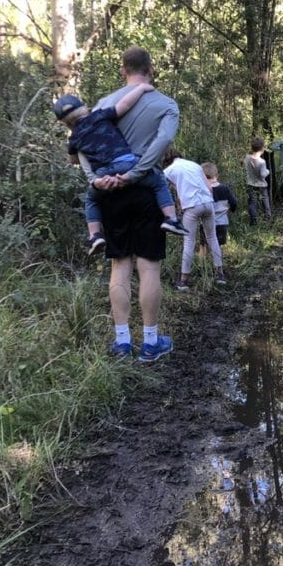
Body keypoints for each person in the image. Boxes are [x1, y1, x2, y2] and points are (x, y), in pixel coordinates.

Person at [81, 46, 179, 362]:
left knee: (119, 264)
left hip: (108, 190)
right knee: (148, 265)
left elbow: (82, 142)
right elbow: (163, 142)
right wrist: (137, 172)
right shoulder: (166, 105)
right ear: (151, 71)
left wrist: (94, 179)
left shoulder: (103, 104)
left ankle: (122, 343)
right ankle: (150, 343)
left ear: (123, 70)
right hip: (146, 189)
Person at [53, 86, 186, 255]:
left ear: (65, 123)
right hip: (127, 164)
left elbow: (73, 160)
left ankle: (95, 235)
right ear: (84, 108)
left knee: (92, 199)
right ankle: (171, 218)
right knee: (158, 181)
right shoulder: (99, 116)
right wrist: (142, 89)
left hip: (103, 174)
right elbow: (124, 105)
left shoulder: (74, 138)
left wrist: (77, 143)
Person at [164, 151, 225, 289]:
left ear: (167, 161)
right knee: (212, 238)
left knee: (189, 241)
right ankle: (220, 275)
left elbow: (163, 190)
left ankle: (184, 280)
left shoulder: (169, 170)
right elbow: (209, 187)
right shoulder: (195, 165)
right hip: (208, 203)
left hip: (192, 206)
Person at [200, 161, 238, 254]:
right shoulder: (225, 189)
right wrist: (231, 210)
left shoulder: (202, 190)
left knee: (203, 245)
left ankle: (202, 265)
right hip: (222, 222)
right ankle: (217, 266)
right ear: (217, 175)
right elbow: (233, 203)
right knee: (217, 246)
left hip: (205, 223)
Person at [244, 136, 272, 224]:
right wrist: (268, 171)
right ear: (262, 149)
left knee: (252, 202)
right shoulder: (262, 162)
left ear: (251, 148)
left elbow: (245, 167)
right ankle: (267, 217)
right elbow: (263, 174)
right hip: (261, 185)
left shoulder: (247, 158)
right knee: (265, 200)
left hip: (250, 183)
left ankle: (253, 220)